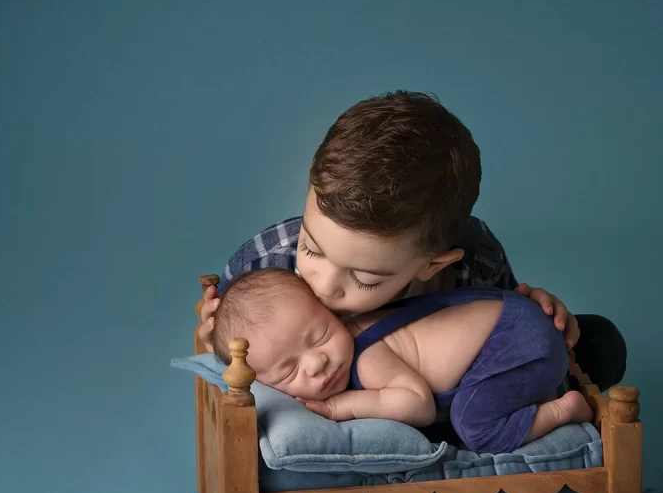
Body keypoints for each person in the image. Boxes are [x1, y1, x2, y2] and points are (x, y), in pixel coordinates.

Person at [199, 90, 626, 393]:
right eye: (312, 248)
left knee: (597, 342)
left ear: (434, 264)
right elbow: (225, 337)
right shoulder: (266, 258)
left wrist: (543, 318)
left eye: (365, 277)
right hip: (332, 397)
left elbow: (502, 333)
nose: (325, 285)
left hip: (439, 395)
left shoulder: (476, 261)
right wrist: (213, 330)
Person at [213, 269, 593, 454]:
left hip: (516, 343)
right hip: (509, 324)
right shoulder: (336, 339)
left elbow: (419, 405)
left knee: (474, 427)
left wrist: (337, 407)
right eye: (289, 370)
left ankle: (562, 410)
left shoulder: (365, 359)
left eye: (320, 336)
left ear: (330, 311)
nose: (317, 363)